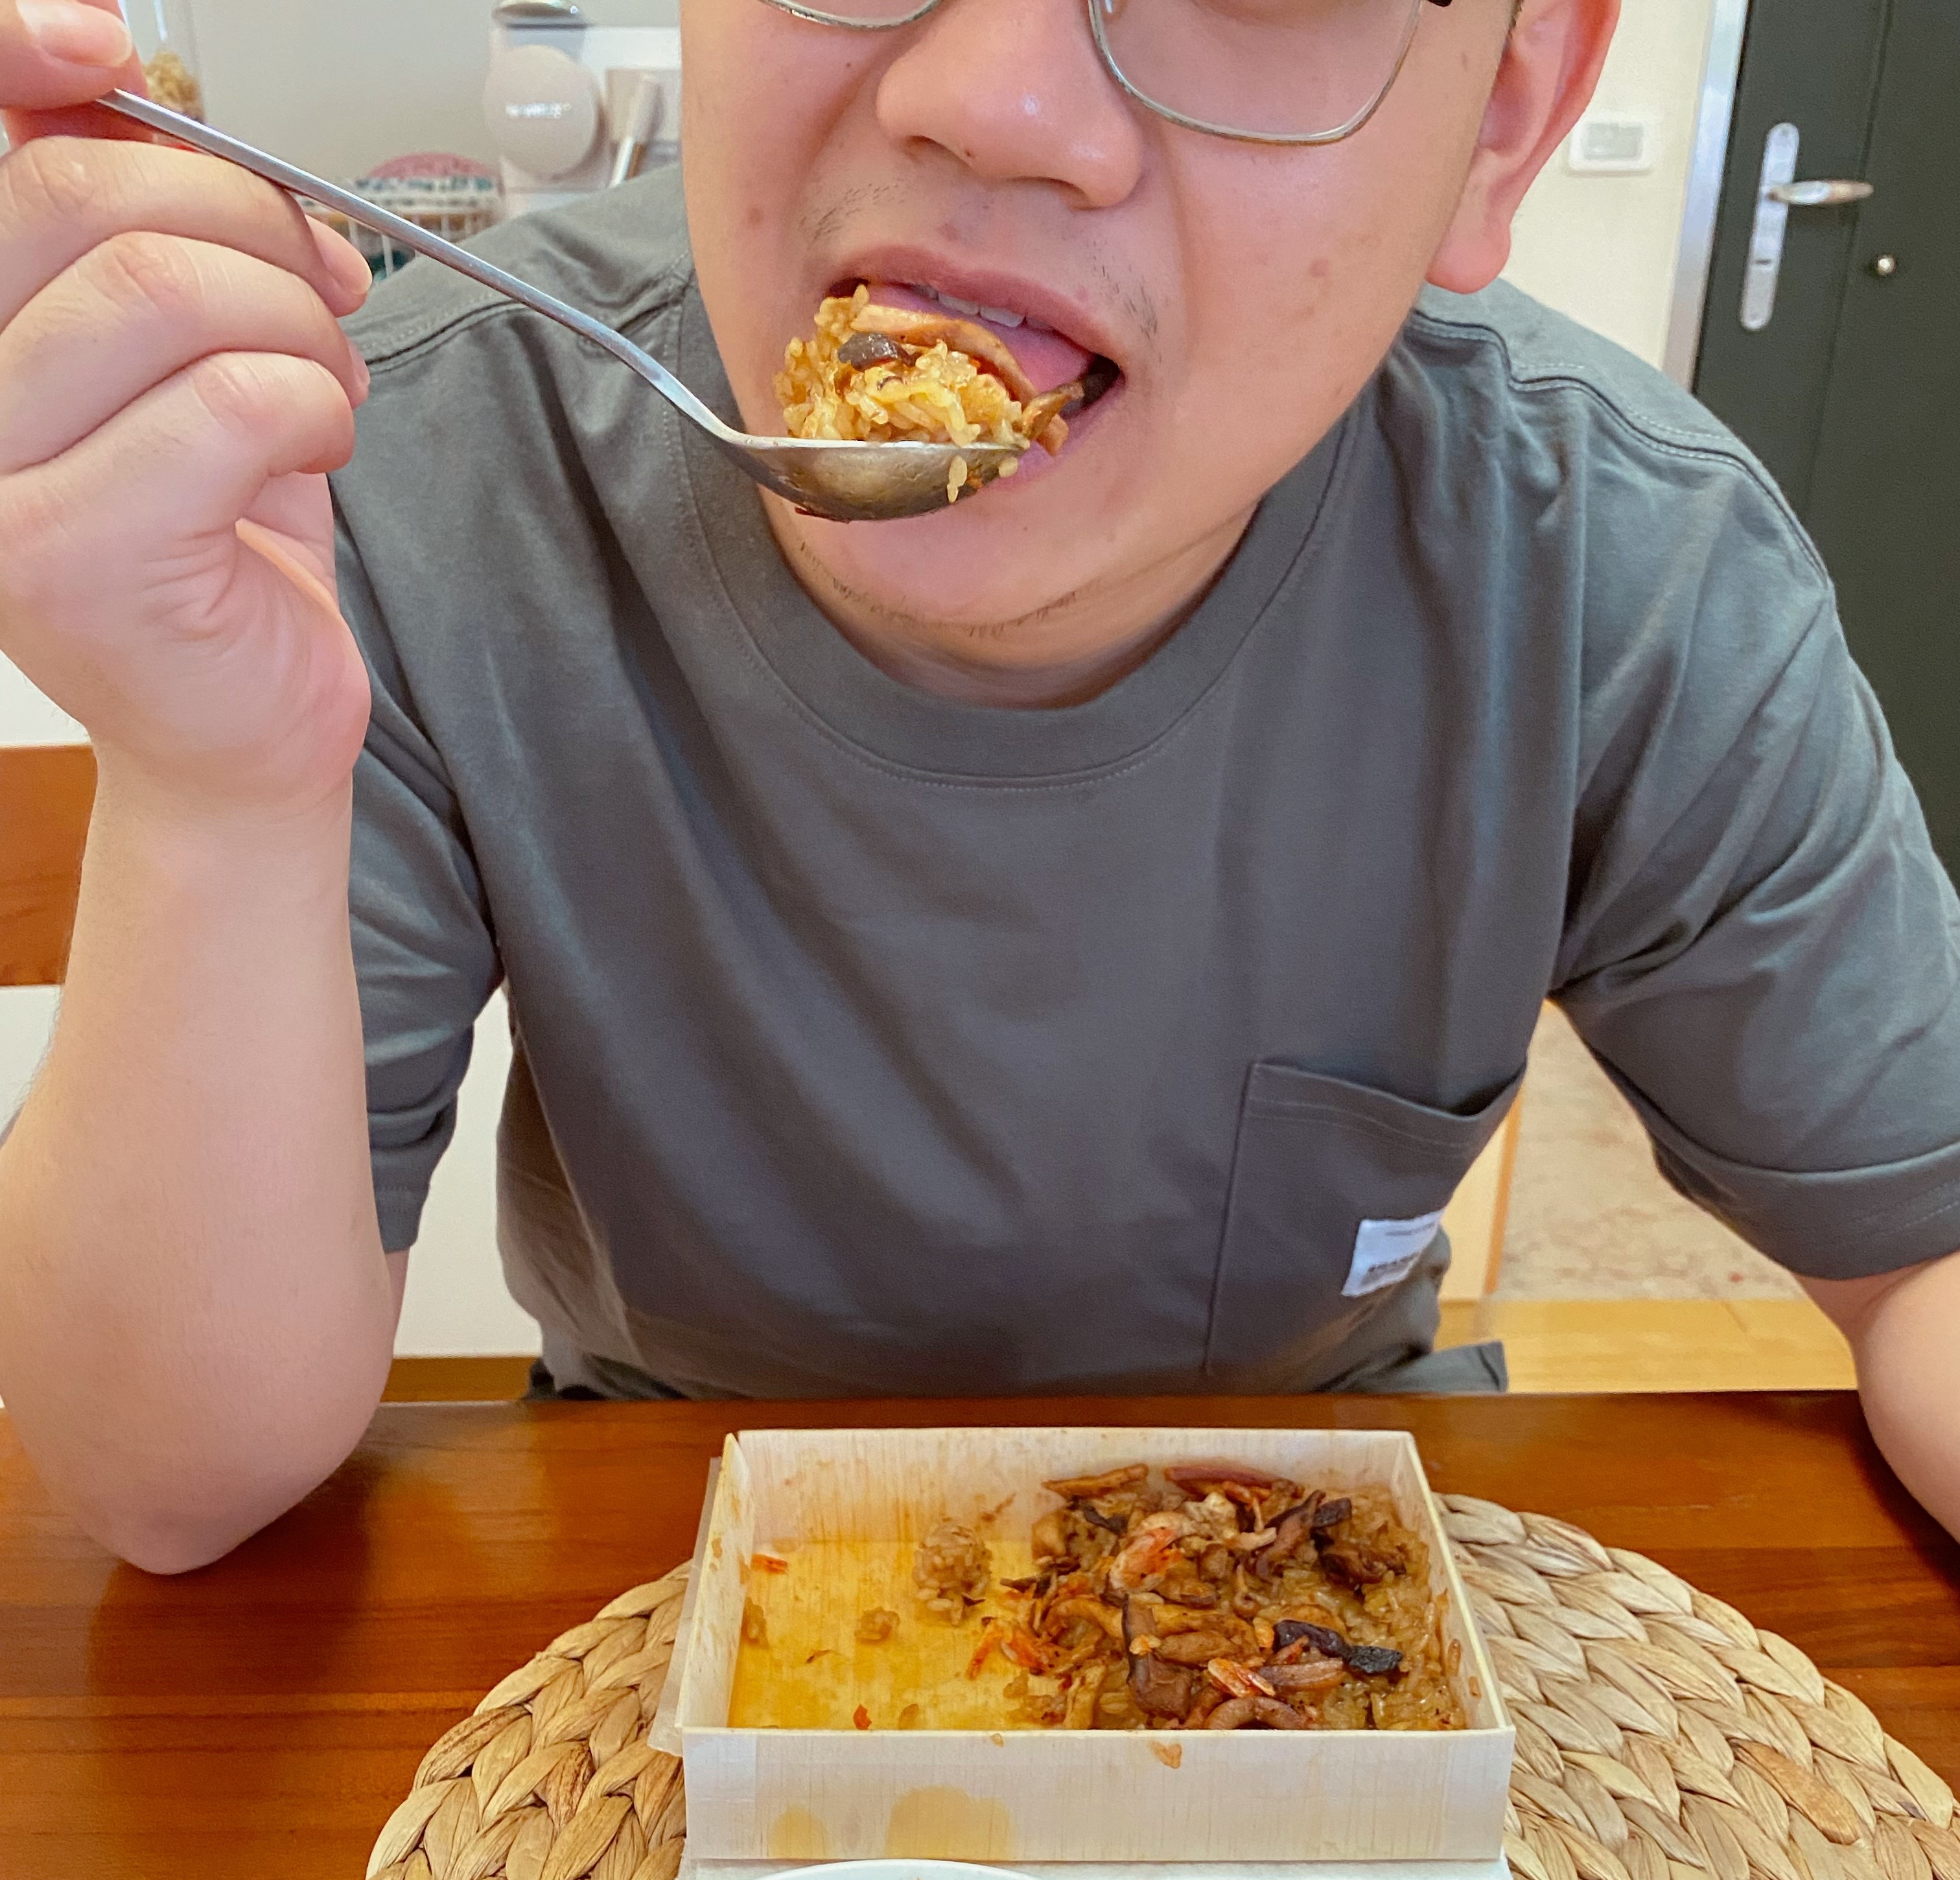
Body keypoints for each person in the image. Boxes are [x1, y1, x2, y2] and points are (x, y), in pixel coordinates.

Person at [0, 0, 1955, 1575]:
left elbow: (1928, 1250)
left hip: (1313, 1546)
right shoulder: (407, 472)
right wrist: (212, 789)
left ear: (1506, 115)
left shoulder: (1614, 566)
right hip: (663, 1545)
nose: (994, 96)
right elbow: (171, 1487)